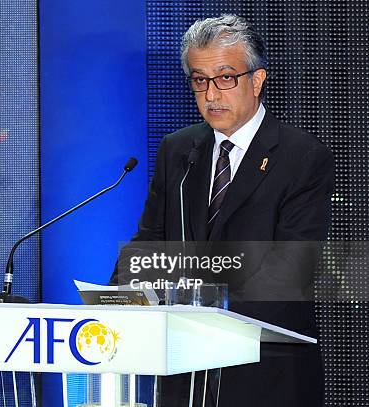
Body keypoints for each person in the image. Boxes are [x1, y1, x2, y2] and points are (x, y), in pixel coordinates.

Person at [110, 14, 334, 406]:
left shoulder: (303, 157)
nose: (211, 94)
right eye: (200, 80)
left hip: (264, 373)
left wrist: (198, 300)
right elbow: (149, 243)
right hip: (184, 372)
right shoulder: (178, 150)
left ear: (257, 79)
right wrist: (119, 298)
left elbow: (290, 271)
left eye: (225, 77)